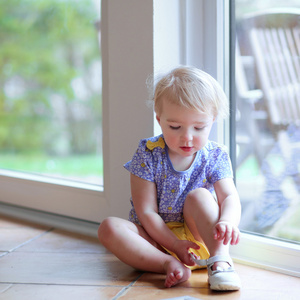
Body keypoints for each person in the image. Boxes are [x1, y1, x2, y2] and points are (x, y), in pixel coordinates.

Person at [98, 66, 242, 291]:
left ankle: (220, 261)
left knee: (200, 196)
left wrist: (228, 222)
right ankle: (168, 264)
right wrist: (173, 245)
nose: (187, 137)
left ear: (212, 121)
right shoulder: (148, 152)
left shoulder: (215, 155)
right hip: (153, 242)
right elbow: (145, 212)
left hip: (199, 240)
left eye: (199, 127)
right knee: (108, 228)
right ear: (159, 119)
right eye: (174, 127)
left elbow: (230, 196)